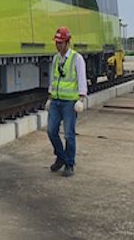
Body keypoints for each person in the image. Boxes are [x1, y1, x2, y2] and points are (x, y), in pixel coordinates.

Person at [46, 27, 87, 177]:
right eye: (56, 42)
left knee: (69, 134)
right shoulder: (56, 58)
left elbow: (81, 78)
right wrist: (50, 97)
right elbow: (53, 78)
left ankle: (69, 164)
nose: (58, 45)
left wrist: (81, 98)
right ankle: (61, 156)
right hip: (56, 101)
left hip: (70, 103)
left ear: (67, 42)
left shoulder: (77, 58)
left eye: (60, 43)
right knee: (51, 131)